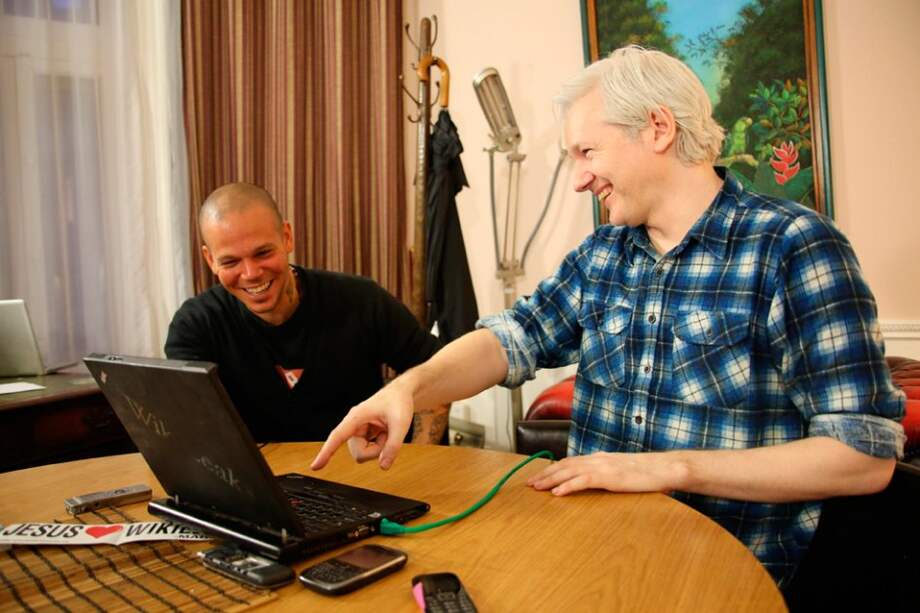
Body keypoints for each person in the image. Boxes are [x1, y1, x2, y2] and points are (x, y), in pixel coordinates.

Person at [310, 46, 906, 587]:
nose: (578, 179)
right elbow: (508, 340)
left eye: (587, 151)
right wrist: (409, 389)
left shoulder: (793, 246)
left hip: (718, 575)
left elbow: (863, 456)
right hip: (586, 554)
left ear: (658, 129)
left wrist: (667, 470)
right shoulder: (602, 255)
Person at [165, 182, 449, 444]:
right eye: (231, 261)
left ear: (287, 237)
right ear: (210, 259)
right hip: (260, 486)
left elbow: (439, 372)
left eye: (263, 253)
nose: (251, 273)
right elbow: (195, 432)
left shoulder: (362, 300)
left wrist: (418, 462)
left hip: (364, 477)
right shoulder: (195, 326)